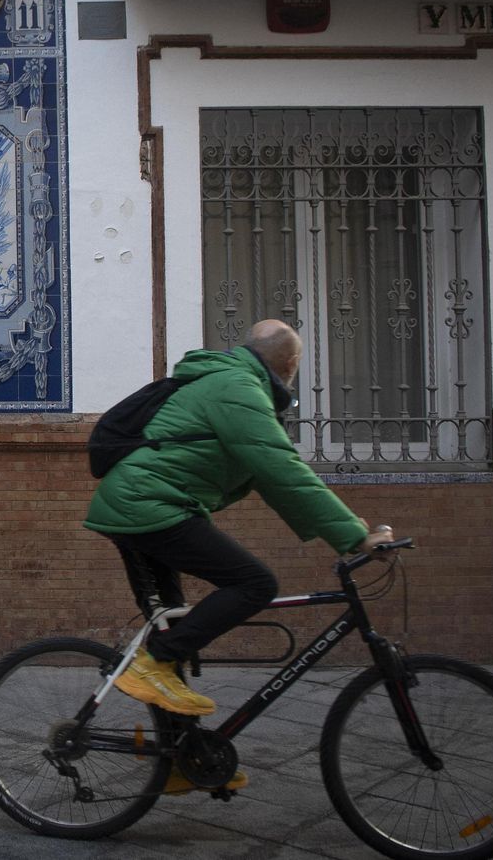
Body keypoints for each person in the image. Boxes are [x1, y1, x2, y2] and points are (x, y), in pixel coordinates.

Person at [85, 320, 394, 787]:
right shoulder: (236, 387)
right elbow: (280, 466)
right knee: (255, 584)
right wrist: (354, 535)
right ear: (290, 365)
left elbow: (269, 477)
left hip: (152, 505)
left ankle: (179, 762)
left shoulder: (231, 381)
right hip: (148, 507)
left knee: (174, 628)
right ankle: (151, 663)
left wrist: (345, 530)